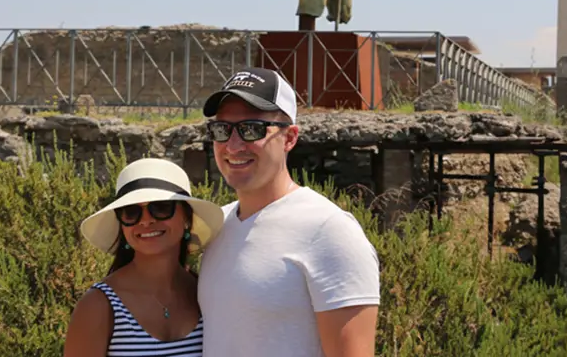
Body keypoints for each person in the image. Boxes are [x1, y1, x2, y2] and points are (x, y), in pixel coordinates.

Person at [197, 66, 381, 357]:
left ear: (290, 138)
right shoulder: (217, 226)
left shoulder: (328, 230)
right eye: (222, 130)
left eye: (251, 129)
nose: (233, 145)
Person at [63, 158, 225, 357]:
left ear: (186, 217)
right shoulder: (98, 305)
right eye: (131, 212)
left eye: (161, 207)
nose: (146, 221)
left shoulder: (205, 293)